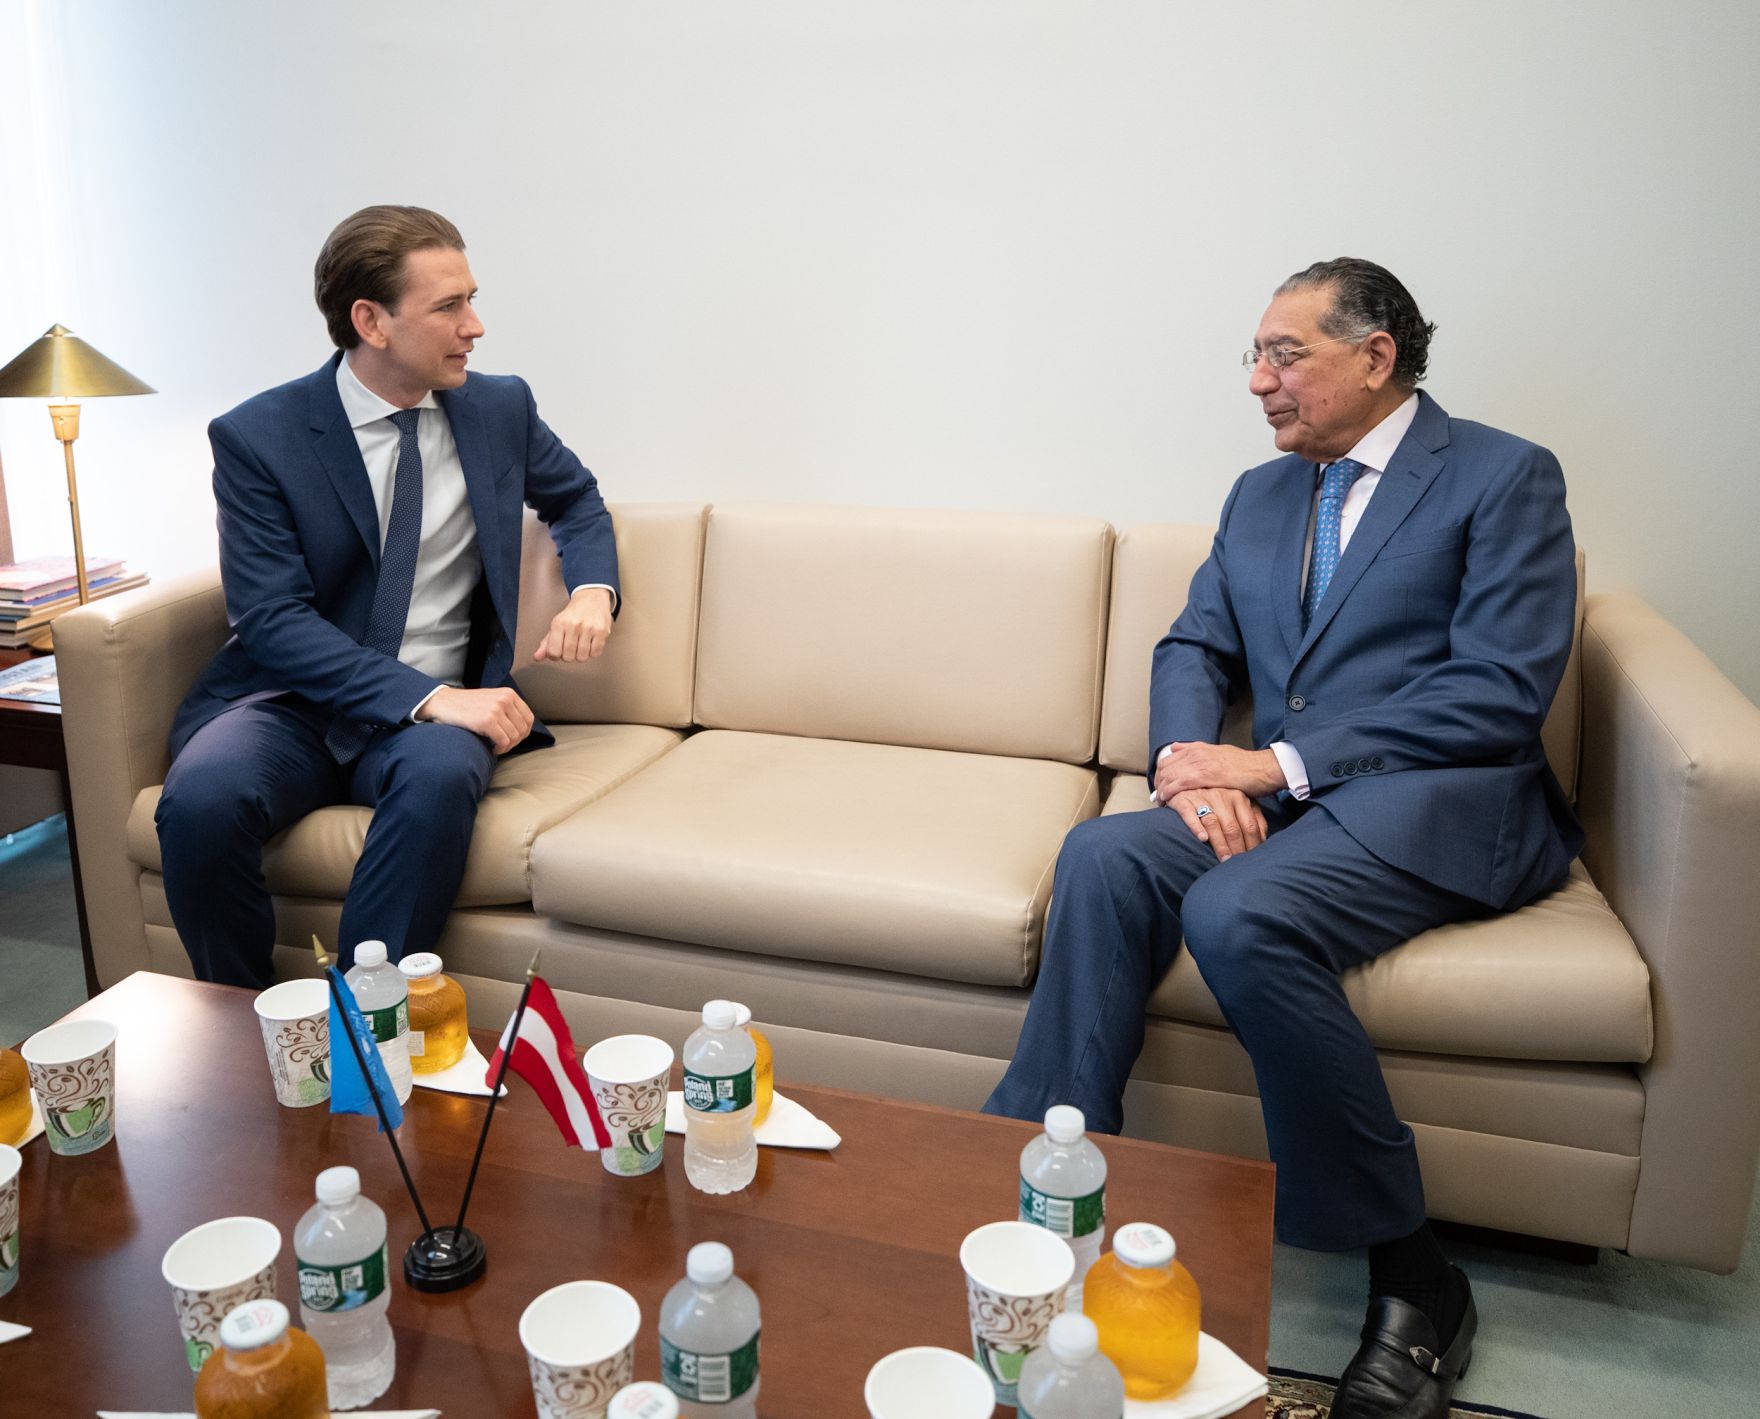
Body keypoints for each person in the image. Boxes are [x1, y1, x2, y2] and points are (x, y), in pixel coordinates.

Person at [984, 258, 1580, 1418]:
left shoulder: (1500, 476)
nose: (1257, 383)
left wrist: (1270, 764)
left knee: (1233, 907)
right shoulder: (1261, 495)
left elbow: (1502, 689)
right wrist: (1183, 769)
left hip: (1439, 800)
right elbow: (1190, 648)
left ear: (1375, 355)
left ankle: (1414, 1274)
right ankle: (1047, 1191)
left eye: (1282, 354)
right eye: (1250, 358)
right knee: (1102, 855)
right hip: (1295, 802)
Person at [157, 205, 620, 988]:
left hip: (436, 718)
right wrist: (431, 696)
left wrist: (593, 593)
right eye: (448, 306)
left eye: (471, 298)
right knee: (201, 801)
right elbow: (271, 619)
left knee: (441, 774)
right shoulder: (258, 437)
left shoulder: (498, 407)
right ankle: (242, 1029)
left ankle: (367, 1026)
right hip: (295, 702)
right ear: (370, 320)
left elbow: (576, 500)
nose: (475, 325)